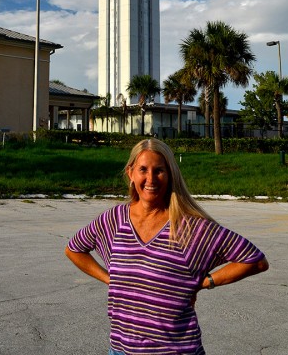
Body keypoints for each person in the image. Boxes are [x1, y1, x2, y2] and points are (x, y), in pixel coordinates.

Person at [65, 138, 269, 355]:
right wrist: (110, 278)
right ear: (130, 173)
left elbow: (255, 261)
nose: (150, 178)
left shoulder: (190, 227)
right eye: (143, 169)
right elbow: (74, 249)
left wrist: (206, 282)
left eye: (159, 170)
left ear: (170, 175)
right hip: (120, 349)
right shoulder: (114, 220)